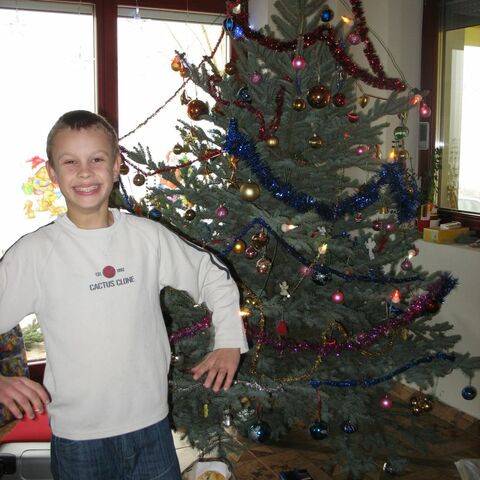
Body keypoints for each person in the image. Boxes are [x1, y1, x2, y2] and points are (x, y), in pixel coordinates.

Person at [0, 110, 249, 479]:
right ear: (52, 173)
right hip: (78, 439)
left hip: (151, 427)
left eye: (97, 159)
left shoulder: (147, 237)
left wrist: (229, 341)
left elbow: (211, 273)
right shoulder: (34, 254)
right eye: (70, 162)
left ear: (116, 165)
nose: (85, 172)